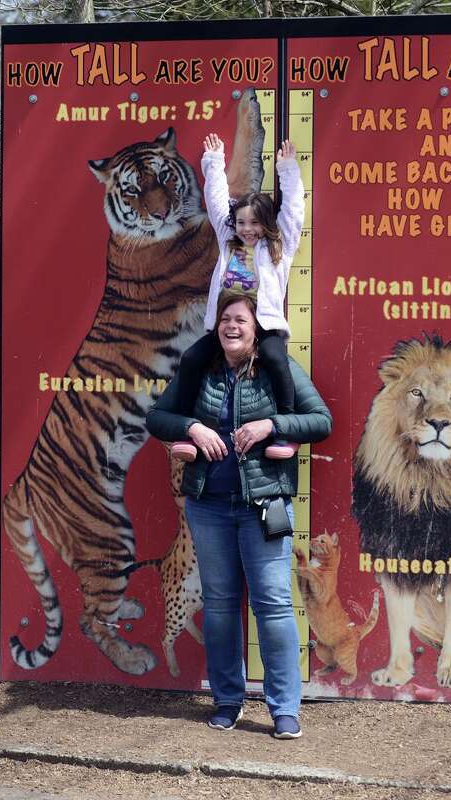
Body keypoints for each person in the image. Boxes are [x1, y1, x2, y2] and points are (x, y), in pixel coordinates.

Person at [147, 293, 332, 740]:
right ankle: (227, 701)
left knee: (273, 604)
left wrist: (273, 425)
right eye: (226, 319)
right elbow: (158, 417)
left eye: (241, 321)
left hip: (264, 506)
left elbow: (321, 420)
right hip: (208, 505)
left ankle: (285, 710)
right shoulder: (200, 371)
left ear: (256, 329)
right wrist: (192, 427)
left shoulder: (277, 370)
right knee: (222, 606)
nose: (232, 326)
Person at [169, 131, 306, 463]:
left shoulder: (278, 247)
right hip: (226, 327)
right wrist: (214, 164)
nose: (247, 229)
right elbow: (218, 204)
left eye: (254, 223)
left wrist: (288, 170)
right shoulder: (229, 242)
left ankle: (285, 432)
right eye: (242, 222)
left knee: (276, 362)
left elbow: (294, 213)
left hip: (264, 326)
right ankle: (186, 429)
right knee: (191, 361)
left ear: (266, 224)